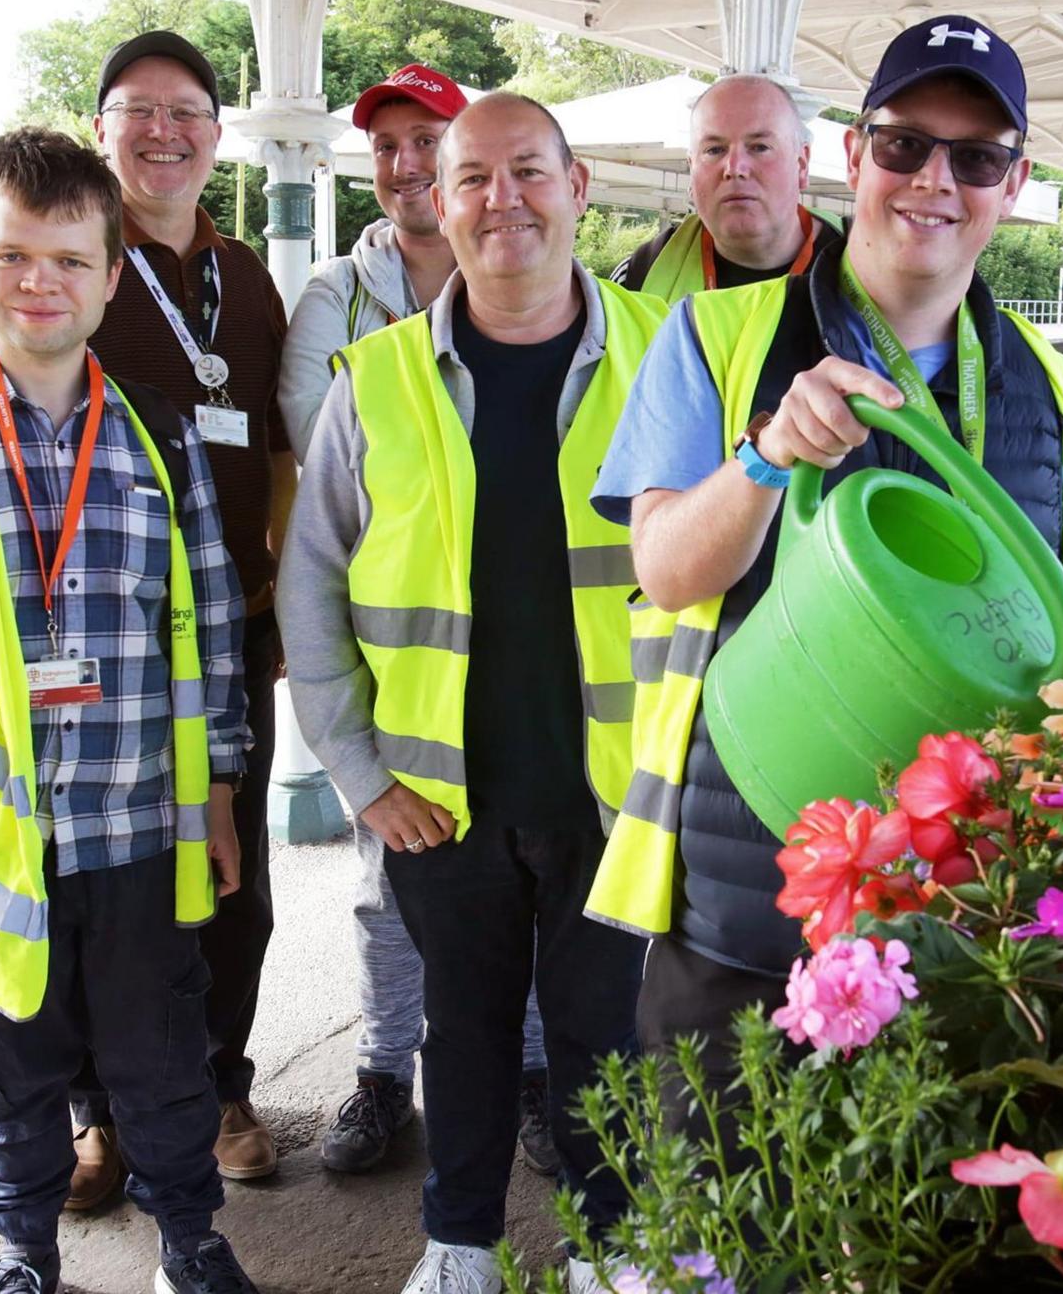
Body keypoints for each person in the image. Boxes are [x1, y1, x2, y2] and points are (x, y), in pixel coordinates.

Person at [586, 16, 1063, 1125]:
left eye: (975, 158)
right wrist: (764, 454)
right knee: (723, 1230)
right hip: (747, 895)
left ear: (1015, 183)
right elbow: (666, 567)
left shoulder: (1061, 397)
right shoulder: (713, 337)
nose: (935, 180)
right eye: (903, 146)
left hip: (973, 926)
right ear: (852, 157)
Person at [0, 127, 255, 1294]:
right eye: (17, 255)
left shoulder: (161, 439)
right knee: (3, 1071)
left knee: (166, 1063)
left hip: (137, 833)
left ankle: (190, 1239)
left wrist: (218, 788)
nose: (42, 283)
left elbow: (211, 627)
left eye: (71, 260)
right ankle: (22, 1251)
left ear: (111, 277)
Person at [283, 93, 662, 1294]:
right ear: (438, 205)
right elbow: (313, 589)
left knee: (607, 1042)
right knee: (467, 1031)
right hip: (439, 797)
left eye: (529, 172)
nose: (504, 200)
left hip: (614, 788)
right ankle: (459, 1247)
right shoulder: (377, 378)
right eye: (475, 180)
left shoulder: (671, 355)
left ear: (579, 184)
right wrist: (360, 775)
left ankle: (611, 1246)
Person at [279, 64, 561, 1181]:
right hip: (408, 683)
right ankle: (382, 1071)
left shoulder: (570, 307)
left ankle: (531, 1075)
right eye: (390, 145)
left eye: (423, 138)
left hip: (535, 691)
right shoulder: (336, 307)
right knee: (385, 893)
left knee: (536, 898)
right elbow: (328, 468)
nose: (405, 162)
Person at [68, 30, 292, 1196]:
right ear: (99, 128)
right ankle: (100, 1112)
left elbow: (282, 442)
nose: (164, 131)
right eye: (137, 110)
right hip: (97, 643)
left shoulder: (244, 278)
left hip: (230, 634)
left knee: (229, 878)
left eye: (188, 110)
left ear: (217, 133)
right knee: (106, 887)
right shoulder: (60, 258)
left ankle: (219, 1086)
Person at [609, 73, 841, 303]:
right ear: (692, 168)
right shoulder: (635, 279)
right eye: (714, 150)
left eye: (759, 147)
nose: (734, 168)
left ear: (801, 164)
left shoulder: (862, 267)